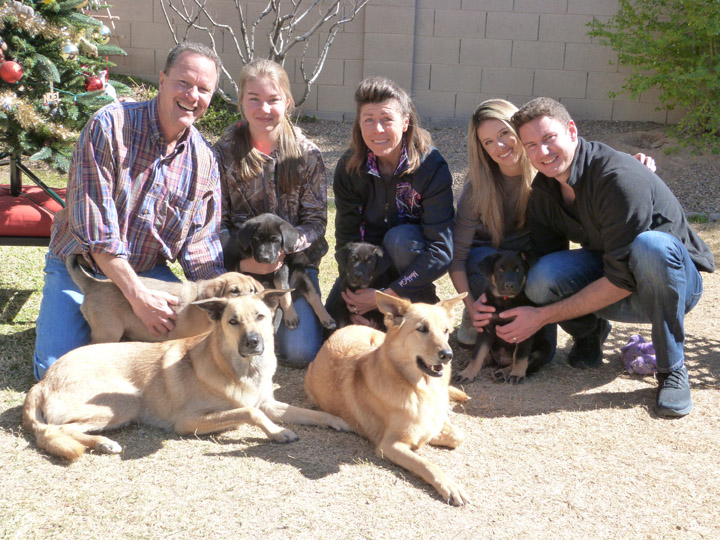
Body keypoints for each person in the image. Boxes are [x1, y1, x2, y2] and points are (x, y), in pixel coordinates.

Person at [491, 97, 714, 417]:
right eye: (531, 145)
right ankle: (589, 334)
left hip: (671, 284)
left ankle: (672, 369)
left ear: (571, 130)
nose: (542, 152)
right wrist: (532, 337)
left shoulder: (618, 177)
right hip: (615, 274)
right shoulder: (544, 191)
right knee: (542, 276)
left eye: (549, 138)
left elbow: (622, 280)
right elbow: (546, 264)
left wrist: (540, 317)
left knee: (651, 246)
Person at [33, 41, 226, 380]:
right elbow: (97, 234)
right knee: (56, 372)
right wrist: (137, 297)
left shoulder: (204, 161)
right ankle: (79, 316)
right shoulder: (110, 126)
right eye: (184, 82)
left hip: (150, 274)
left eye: (203, 89)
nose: (192, 95)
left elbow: (201, 248)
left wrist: (226, 303)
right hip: (86, 266)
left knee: (195, 357)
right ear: (162, 80)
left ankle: (122, 334)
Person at [213, 59, 328, 367]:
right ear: (241, 102)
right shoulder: (222, 152)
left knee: (300, 353)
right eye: (254, 99)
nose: (264, 108)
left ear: (287, 102)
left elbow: (316, 222)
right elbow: (215, 222)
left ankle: (284, 315)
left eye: (273, 100)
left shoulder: (307, 154)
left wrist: (286, 248)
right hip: (240, 268)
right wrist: (243, 261)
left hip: (291, 267)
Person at [326, 76, 454, 323]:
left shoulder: (431, 167)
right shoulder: (349, 167)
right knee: (312, 343)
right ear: (359, 124)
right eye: (369, 120)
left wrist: (386, 296)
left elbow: (441, 251)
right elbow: (346, 239)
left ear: (405, 122)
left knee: (399, 239)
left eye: (387, 119)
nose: (378, 130)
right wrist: (355, 300)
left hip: (409, 261)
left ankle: (419, 300)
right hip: (367, 268)